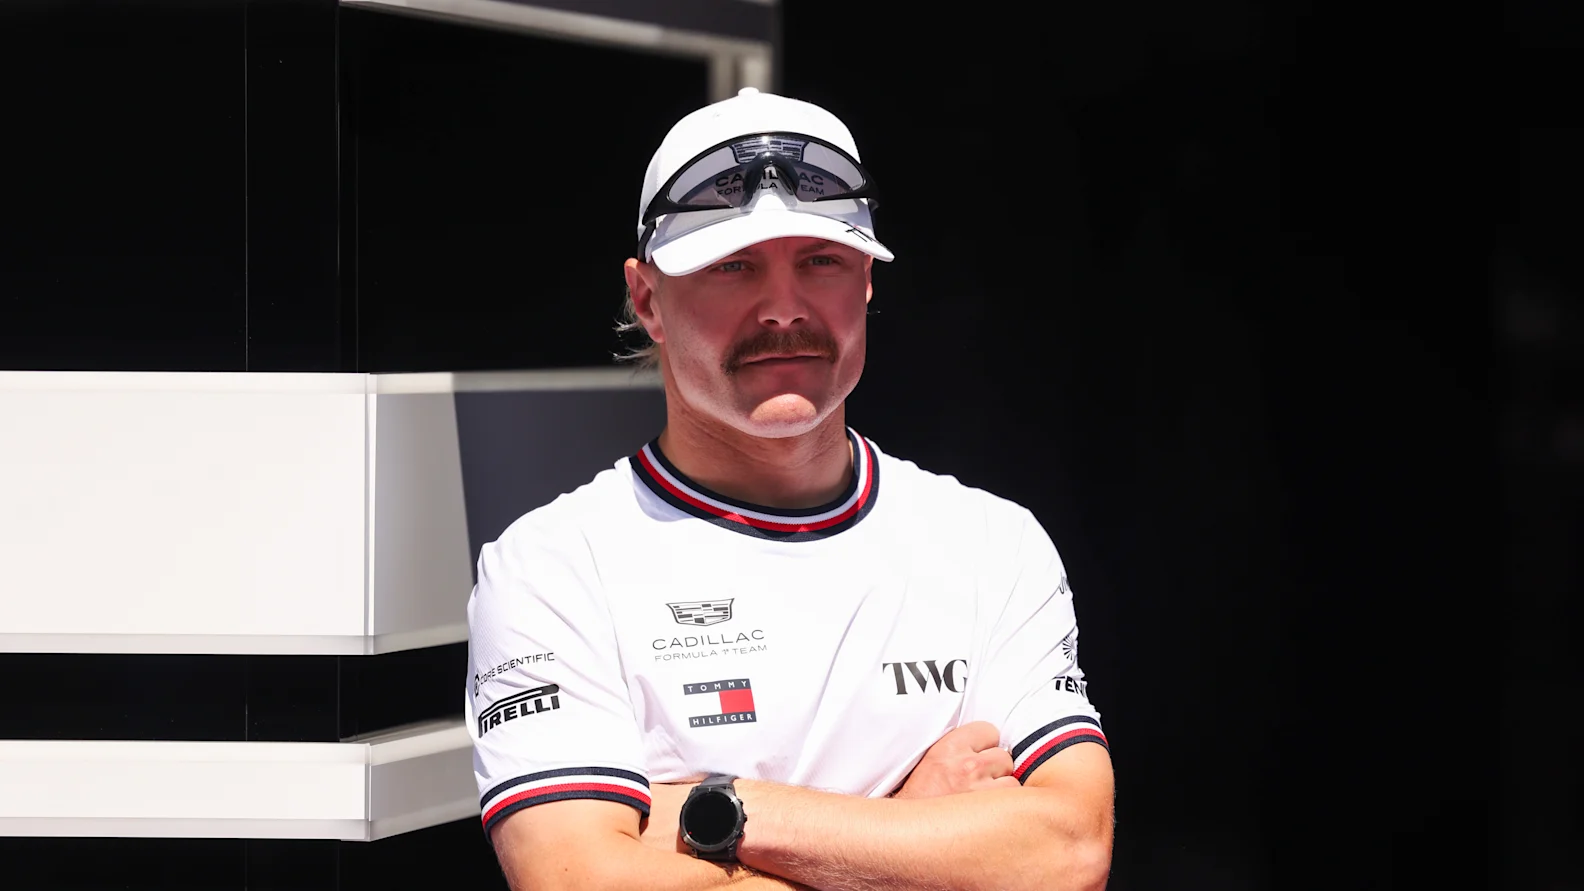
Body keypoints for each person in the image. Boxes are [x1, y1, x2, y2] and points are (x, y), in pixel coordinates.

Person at [465, 87, 1114, 891]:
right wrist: (917, 831)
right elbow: (579, 879)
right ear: (647, 300)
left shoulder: (993, 544)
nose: (782, 309)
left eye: (822, 260)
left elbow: (1064, 854)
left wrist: (718, 811)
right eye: (733, 266)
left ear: (867, 283)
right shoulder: (552, 567)